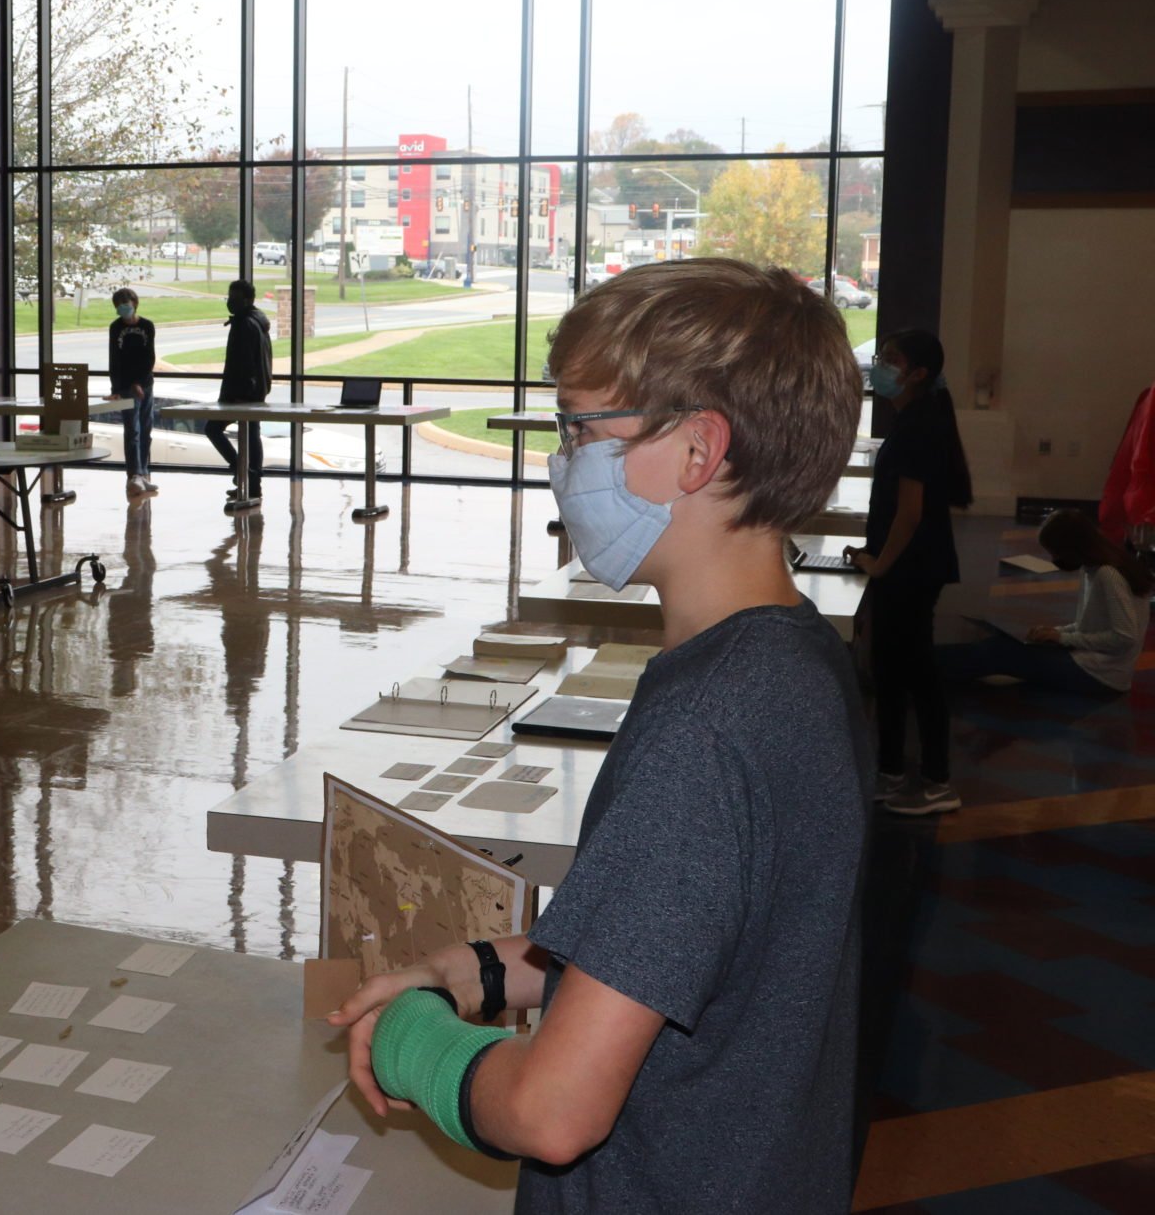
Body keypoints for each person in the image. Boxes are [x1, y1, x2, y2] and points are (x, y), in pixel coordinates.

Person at [330, 260, 869, 1212]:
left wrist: (413, 1037)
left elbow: (554, 1110)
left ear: (700, 451)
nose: (562, 456)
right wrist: (480, 970)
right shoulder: (794, 663)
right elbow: (688, 943)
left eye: (583, 428)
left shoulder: (703, 730)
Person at [843, 329, 972, 816]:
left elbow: (911, 512)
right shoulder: (911, 418)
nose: (881, 365)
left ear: (918, 373)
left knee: (917, 672)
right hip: (902, 565)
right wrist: (871, 553)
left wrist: (881, 562)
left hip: (913, 569)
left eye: (892, 359)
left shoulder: (920, 425)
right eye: (882, 356)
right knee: (892, 670)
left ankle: (937, 782)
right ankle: (891, 771)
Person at [941, 508, 1150, 696]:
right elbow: (1092, 625)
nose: (1054, 559)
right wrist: (1055, 633)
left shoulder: (1107, 575)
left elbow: (1124, 637)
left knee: (997, 653)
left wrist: (1064, 638)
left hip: (1100, 675)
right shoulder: (1094, 568)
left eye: (1056, 553)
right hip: (1091, 662)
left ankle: (924, 668)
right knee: (999, 648)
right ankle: (926, 664)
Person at [203, 280, 271, 509]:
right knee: (252, 435)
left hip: (241, 394)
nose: (230, 302)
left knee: (212, 429)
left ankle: (242, 472)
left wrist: (236, 394)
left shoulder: (244, 325)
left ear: (247, 300)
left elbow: (242, 363)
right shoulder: (258, 322)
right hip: (255, 391)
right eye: (229, 297)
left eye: (234, 298)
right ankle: (252, 482)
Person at [108, 287, 159, 497]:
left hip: (145, 384)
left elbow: (149, 357)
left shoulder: (147, 326)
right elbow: (115, 359)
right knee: (132, 430)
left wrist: (140, 382)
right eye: (119, 306)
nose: (123, 309)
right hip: (126, 387)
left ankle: (144, 473)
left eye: (126, 305)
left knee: (146, 428)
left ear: (135, 304)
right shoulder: (115, 328)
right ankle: (134, 475)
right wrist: (118, 388)